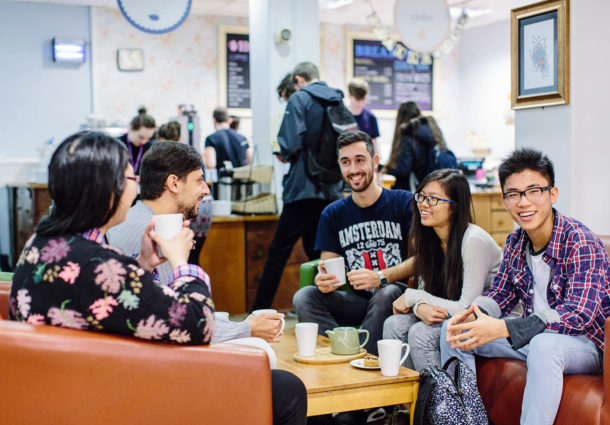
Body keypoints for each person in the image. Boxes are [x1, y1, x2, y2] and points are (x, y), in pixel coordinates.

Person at [10, 131, 307, 425]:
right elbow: (196, 324)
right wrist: (180, 262)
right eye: (130, 179)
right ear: (104, 190)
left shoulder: (42, 245)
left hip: (67, 386)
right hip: (115, 393)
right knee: (287, 390)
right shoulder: (99, 267)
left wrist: (142, 263)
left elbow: (113, 301)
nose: (136, 187)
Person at [441, 148, 610, 425]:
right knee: (454, 329)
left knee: (545, 345)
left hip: (584, 344)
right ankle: (465, 419)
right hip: (532, 336)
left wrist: (506, 328)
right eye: (514, 194)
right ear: (505, 200)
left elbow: (580, 315)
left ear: (552, 194)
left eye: (533, 191)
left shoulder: (581, 241)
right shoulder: (516, 240)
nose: (524, 202)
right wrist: (476, 314)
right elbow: (501, 294)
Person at [108, 142, 284, 345]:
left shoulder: (134, 218)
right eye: (199, 180)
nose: (205, 190)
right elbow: (182, 321)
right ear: (174, 183)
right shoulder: (155, 234)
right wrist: (249, 328)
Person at [292, 130, 414, 356]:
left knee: (386, 293)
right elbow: (328, 266)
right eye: (345, 162)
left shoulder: (403, 202)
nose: (353, 170)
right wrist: (324, 280)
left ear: (375, 161)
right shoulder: (333, 213)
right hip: (356, 302)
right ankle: (343, 352)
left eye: (360, 160)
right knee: (304, 297)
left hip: (397, 296)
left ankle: (363, 360)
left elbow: (421, 259)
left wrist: (380, 276)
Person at [382, 169, 502, 371]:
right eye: (422, 196)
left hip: (486, 320)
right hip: (451, 316)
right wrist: (419, 306)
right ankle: (405, 402)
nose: (424, 204)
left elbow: (467, 309)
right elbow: (426, 295)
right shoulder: (430, 239)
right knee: (394, 324)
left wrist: (413, 297)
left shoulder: (473, 240)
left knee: (421, 334)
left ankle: (441, 401)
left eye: (434, 199)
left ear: (454, 207)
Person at [251, 62, 346, 311]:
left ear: (298, 79)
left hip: (303, 188)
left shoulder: (300, 99)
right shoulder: (337, 100)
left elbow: (290, 143)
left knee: (278, 252)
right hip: (331, 190)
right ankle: (325, 309)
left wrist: (284, 152)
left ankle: (258, 311)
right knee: (317, 253)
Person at [384, 101, 446, 191]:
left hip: (410, 190)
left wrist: (386, 169)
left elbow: (403, 171)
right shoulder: (431, 133)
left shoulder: (408, 137)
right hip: (428, 188)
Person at [204, 107, 252, 175]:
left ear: (214, 120)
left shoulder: (211, 139)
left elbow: (210, 164)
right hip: (240, 181)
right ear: (229, 120)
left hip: (222, 182)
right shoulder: (242, 138)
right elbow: (250, 160)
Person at [117, 107, 157, 175]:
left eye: (148, 138)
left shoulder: (150, 148)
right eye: (141, 137)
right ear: (131, 128)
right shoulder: (117, 145)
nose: (144, 142)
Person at [347, 78, 380, 154]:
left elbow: (374, 145)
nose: (361, 103)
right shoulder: (340, 117)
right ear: (349, 96)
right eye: (357, 100)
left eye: (363, 99)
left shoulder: (371, 117)